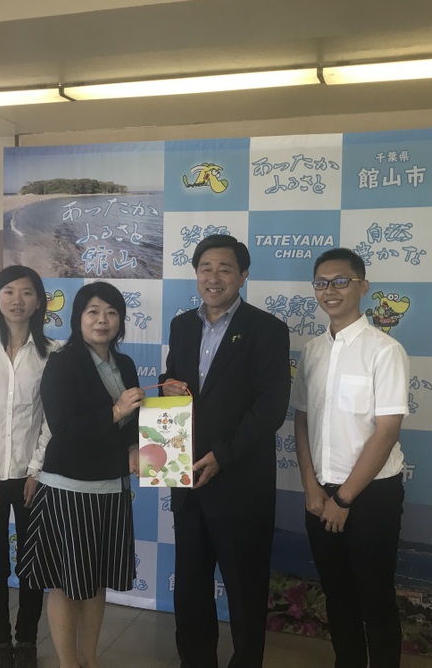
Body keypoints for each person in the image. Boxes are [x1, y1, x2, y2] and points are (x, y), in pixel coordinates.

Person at [162, 234, 291, 667]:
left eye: (224, 269)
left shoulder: (267, 329)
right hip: (188, 481)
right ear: (196, 273)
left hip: (240, 487)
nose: (213, 277)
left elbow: (270, 408)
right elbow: (173, 383)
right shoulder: (181, 325)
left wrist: (222, 455)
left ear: (243, 275)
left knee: (245, 593)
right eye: (205, 268)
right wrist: (168, 387)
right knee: (191, 593)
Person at [290, 248, 410, 668]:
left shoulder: (385, 350)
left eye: (341, 281)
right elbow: (301, 421)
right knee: (337, 595)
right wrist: (310, 486)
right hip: (319, 494)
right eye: (321, 283)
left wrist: (343, 500)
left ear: (363, 286)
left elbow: (387, 430)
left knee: (375, 598)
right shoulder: (312, 351)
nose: (330, 290)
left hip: (370, 496)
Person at [17, 281, 144, 668]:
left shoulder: (124, 364)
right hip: (68, 490)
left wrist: (135, 444)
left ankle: (90, 660)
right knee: (66, 583)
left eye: (111, 312)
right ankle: (68, 663)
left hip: (112, 487)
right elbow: (66, 427)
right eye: (93, 312)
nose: (102, 320)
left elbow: (132, 421)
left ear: (120, 320)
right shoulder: (62, 362)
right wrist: (117, 412)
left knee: (96, 581)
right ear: (77, 319)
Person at [0, 265, 59, 668]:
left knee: (32, 565)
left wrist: (36, 470)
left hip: (31, 478)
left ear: (39, 301)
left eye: (26, 292)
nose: (17, 300)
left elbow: (51, 420)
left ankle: (26, 642)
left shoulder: (53, 352)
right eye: (8, 291)